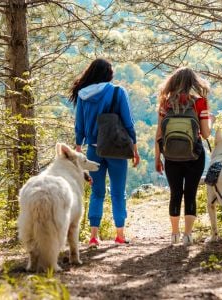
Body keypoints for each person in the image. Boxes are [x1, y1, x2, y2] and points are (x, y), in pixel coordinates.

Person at [69, 58, 140, 247]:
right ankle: (120, 234)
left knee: (97, 192)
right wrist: (134, 146)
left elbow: (80, 126)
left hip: (93, 150)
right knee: (118, 192)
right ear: (108, 74)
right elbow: (128, 123)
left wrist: (78, 149)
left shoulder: (83, 95)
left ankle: (93, 236)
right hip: (116, 148)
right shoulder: (118, 92)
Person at [154, 67, 212, 246]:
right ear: (193, 82)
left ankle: (174, 234)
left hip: (171, 156)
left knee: (175, 193)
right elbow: (206, 134)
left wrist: (158, 157)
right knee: (191, 193)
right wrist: (211, 120)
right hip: (194, 155)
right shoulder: (200, 102)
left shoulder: (166, 103)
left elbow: (159, 133)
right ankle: (188, 235)